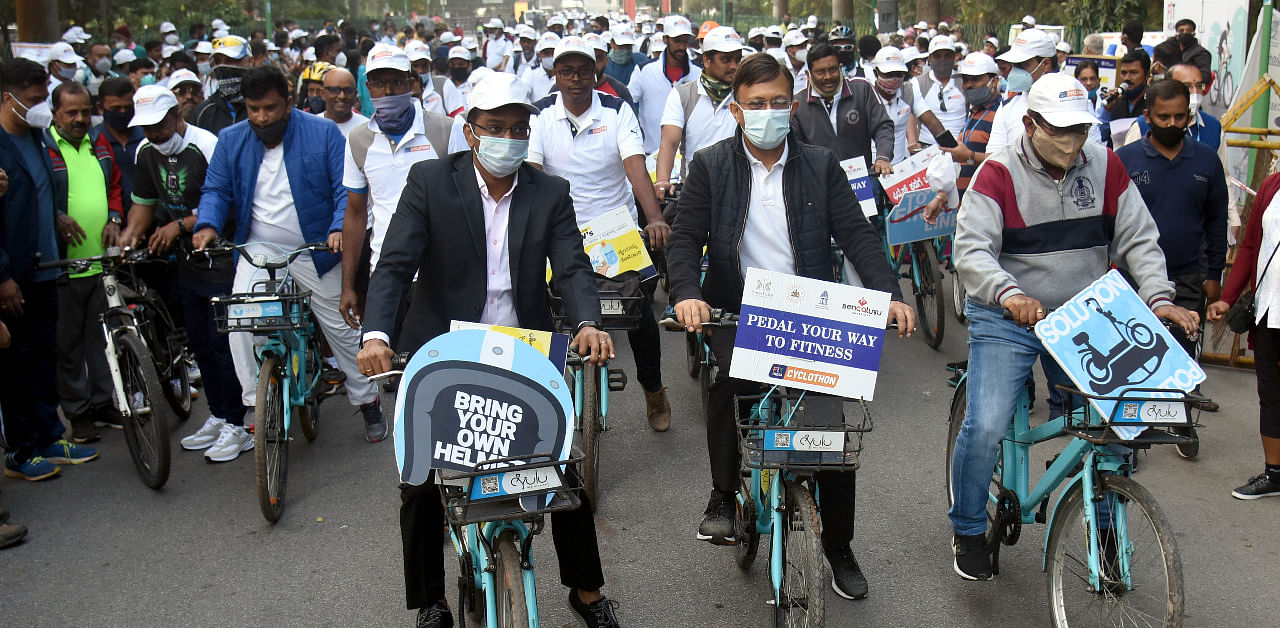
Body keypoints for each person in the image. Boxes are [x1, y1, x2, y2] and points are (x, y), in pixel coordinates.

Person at [356, 72, 624, 628]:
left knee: (561, 466)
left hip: (523, 348)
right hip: (442, 349)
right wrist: (377, 335)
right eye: (495, 128)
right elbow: (395, 266)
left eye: (518, 129)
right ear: (471, 131)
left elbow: (572, 266)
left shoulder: (548, 190)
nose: (507, 138)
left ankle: (587, 594)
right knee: (421, 478)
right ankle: (431, 601)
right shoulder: (429, 182)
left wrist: (588, 322)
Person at [666, 53, 915, 601]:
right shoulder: (710, 164)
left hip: (810, 313)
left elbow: (857, 236)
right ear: (736, 111)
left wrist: (890, 296)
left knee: (832, 433)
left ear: (793, 105)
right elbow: (685, 240)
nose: (769, 113)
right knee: (728, 388)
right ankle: (723, 496)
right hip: (738, 309)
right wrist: (686, 294)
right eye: (756, 105)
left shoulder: (821, 165)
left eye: (778, 102)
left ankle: (839, 547)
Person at [949, 73, 1199, 581]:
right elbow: (971, 252)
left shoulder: (1106, 165)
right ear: (1031, 123)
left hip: (1086, 313)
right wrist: (1009, 292)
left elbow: (1140, 240)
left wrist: (1159, 298)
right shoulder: (995, 174)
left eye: (1081, 128)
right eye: (1059, 129)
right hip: (1008, 313)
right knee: (988, 424)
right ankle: (969, 527)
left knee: (1117, 422)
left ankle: (1106, 527)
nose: (1071, 139)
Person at [190, 65, 387, 443]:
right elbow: (215, 189)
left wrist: (336, 229)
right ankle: (256, 401)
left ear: (288, 102)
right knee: (241, 320)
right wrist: (207, 225)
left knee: (343, 326)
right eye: (253, 109)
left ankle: (367, 401)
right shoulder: (231, 140)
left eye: (270, 108)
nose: (262, 117)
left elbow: (345, 191)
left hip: (315, 250)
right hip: (257, 250)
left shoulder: (323, 133)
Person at [529, 37, 673, 431]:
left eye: (583, 70)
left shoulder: (616, 109)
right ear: (555, 75)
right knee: (550, 312)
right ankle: (549, 398)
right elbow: (534, 171)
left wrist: (654, 217)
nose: (575, 79)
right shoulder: (540, 114)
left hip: (615, 230)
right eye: (566, 71)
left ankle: (653, 387)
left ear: (597, 72)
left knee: (638, 312)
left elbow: (634, 166)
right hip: (560, 232)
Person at [117, 84, 248, 461]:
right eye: (147, 127)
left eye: (160, 124)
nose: (154, 134)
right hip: (188, 263)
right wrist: (128, 239)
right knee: (201, 344)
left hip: (222, 259)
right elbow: (143, 206)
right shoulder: (145, 152)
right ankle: (220, 415)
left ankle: (240, 424)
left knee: (225, 346)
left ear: (177, 115)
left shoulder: (207, 145)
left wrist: (182, 224)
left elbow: (228, 200)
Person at [0, 59, 99, 481]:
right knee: (15, 365)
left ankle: (48, 435)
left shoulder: (38, 138)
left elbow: (41, 192)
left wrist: (58, 215)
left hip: (46, 266)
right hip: (12, 275)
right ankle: (20, 451)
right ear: (9, 97)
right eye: (36, 99)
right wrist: (1, 275)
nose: (42, 106)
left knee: (44, 357)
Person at [1116, 79, 1228, 443]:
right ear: (1147, 116)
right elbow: (1109, 222)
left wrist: (1214, 273)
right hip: (1133, 279)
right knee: (1137, 352)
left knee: (1181, 351)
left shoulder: (1207, 160)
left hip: (1188, 275)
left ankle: (1181, 421)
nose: (1171, 124)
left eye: (1180, 116)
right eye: (1163, 117)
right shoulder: (1125, 160)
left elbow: (1217, 220)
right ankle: (1136, 427)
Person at [338, 44, 457, 340]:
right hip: (386, 275)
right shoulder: (359, 140)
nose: (388, 90)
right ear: (368, 88)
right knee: (388, 369)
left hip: (440, 274)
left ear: (411, 83)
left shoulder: (445, 131)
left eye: (396, 81)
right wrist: (348, 285)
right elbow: (355, 214)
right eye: (379, 83)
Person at [46, 81, 125, 446]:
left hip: (101, 262)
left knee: (101, 339)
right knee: (68, 345)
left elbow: (115, 187)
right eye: (70, 113)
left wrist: (114, 218)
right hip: (63, 265)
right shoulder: (44, 147)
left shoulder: (99, 142)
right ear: (55, 113)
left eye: (84, 112)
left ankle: (102, 403)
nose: (79, 119)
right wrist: (57, 215)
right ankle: (78, 413)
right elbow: (37, 195)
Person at [1207, 171, 1280, 499]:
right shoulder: (1272, 185)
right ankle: (1275, 473)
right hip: (1269, 309)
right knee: (1272, 393)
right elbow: (1251, 245)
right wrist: (1228, 296)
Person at [654, 26, 743, 200]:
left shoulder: (747, 95)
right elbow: (670, 142)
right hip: (695, 193)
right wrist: (663, 180)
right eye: (726, 60)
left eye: (737, 59)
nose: (734, 66)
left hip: (739, 191)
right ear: (707, 60)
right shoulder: (684, 95)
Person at [987, 29, 1100, 156]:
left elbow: (1091, 153)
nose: (1016, 71)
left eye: (1023, 65)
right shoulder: (1007, 108)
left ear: (1045, 64)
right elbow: (993, 158)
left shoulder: (1074, 101)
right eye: (1014, 65)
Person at [791, 43, 895, 176]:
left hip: (862, 179)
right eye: (820, 72)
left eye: (833, 69)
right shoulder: (799, 103)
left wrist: (883, 157)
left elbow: (883, 126)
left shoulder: (862, 89)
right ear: (808, 74)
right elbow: (795, 147)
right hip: (820, 183)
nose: (828, 76)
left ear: (840, 68)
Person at [628, 15, 700, 154]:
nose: (681, 46)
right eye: (677, 41)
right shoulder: (644, 71)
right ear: (665, 39)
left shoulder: (698, 74)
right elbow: (628, 104)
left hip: (688, 157)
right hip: (651, 153)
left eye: (685, 41)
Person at [942, 52, 1002, 193]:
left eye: (975, 80)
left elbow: (1005, 161)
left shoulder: (1001, 113)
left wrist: (970, 156)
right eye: (965, 80)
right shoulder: (974, 112)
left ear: (994, 81)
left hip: (985, 201)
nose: (968, 85)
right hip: (964, 202)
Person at [93, 78, 143, 219]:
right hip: (108, 223)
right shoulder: (94, 142)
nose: (122, 113)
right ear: (100, 108)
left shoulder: (148, 138)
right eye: (115, 109)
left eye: (127, 108)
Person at [908, 35, 966, 147]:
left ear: (954, 57)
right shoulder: (917, 83)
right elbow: (909, 113)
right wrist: (913, 141)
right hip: (927, 147)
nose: (942, 60)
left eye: (947, 56)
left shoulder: (964, 81)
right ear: (930, 58)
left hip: (960, 146)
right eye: (937, 56)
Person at [193, 36, 253, 135]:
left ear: (250, 61)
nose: (223, 66)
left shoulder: (265, 106)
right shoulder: (204, 111)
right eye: (218, 61)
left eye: (230, 60)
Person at [318, 67, 368, 137]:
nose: (342, 96)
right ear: (323, 93)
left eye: (348, 91)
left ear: (355, 94)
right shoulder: (311, 127)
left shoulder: (367, 129)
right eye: (334, 90)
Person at [520, 33, 560, 101]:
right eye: (547, 53)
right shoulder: (531, 72)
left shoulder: (567, 74)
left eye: (553, 53)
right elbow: (522, 94)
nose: (550, 56)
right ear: (540, 55)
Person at [442, 47, 473, 117]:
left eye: (460, 64)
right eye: (453, 64)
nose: (456, 67)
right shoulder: (444, 85)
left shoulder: (474, 85)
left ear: (469, 66)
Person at [781, 29, 809, 93]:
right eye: (800, 47)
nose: (804, 49)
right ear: (789, 50)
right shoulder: (781, 66)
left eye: (805, 46)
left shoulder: (811, 66)